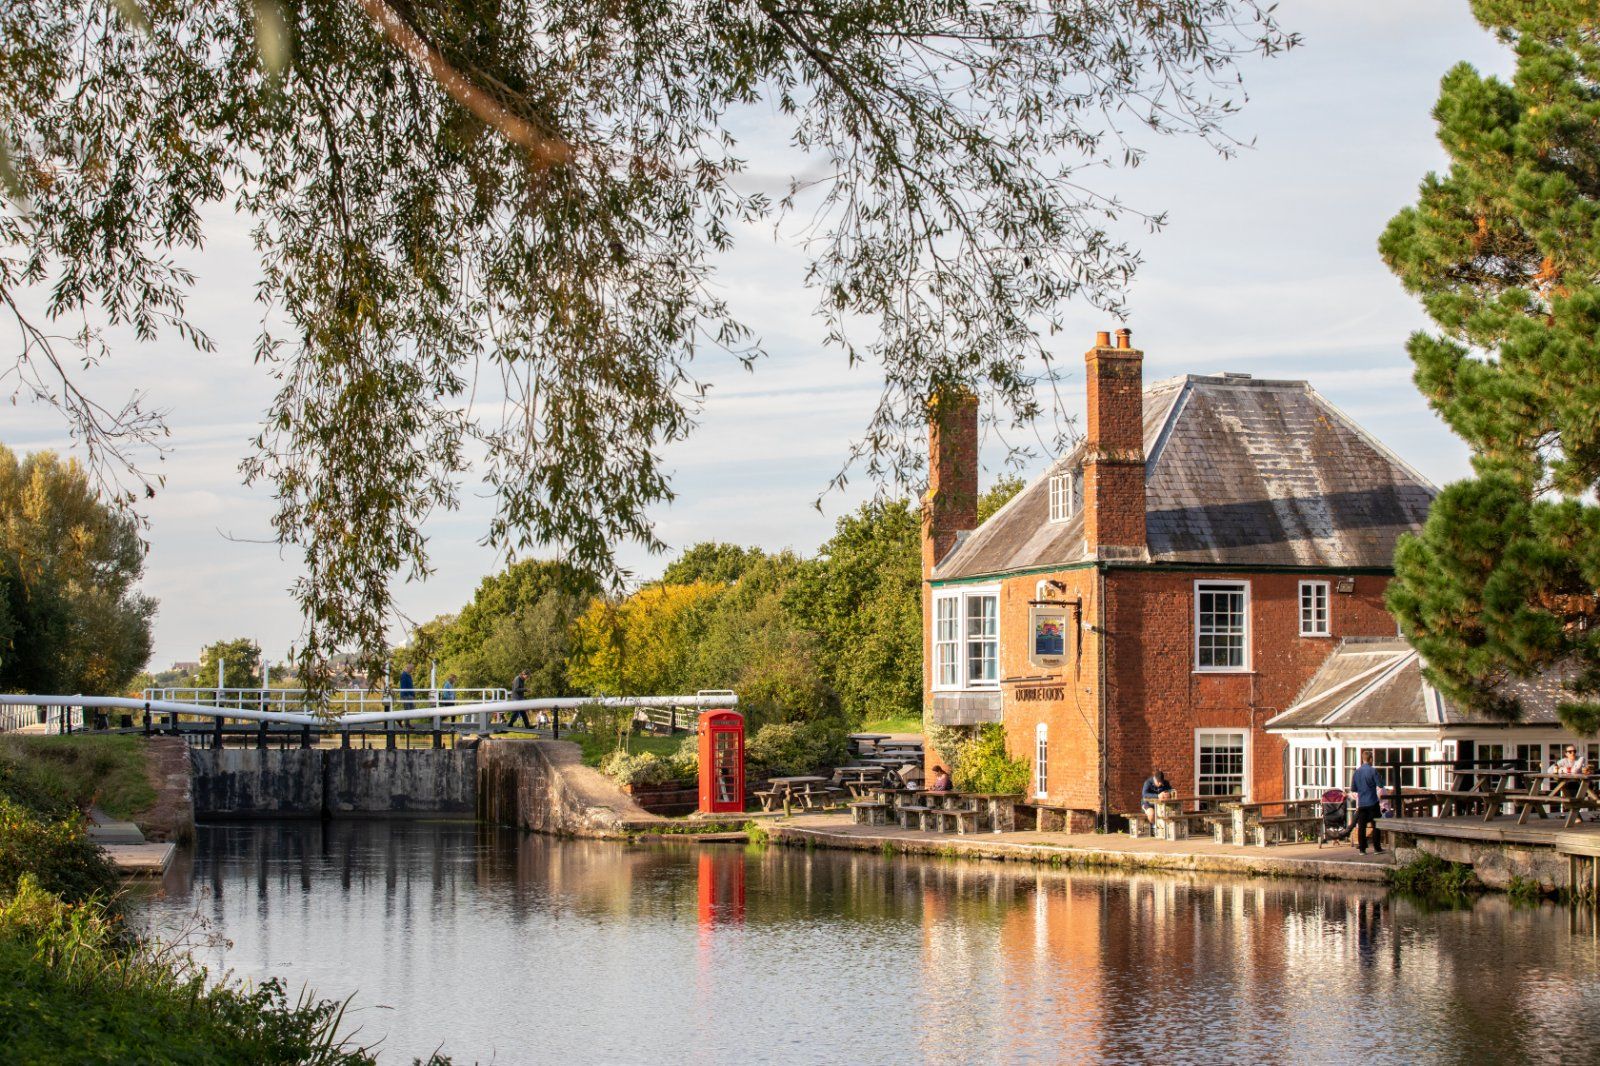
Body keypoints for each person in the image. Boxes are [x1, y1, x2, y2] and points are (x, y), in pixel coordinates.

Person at [1350, 750, 1384, 855]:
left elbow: (1353, 788)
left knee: (1362, 827)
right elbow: (1380, 785)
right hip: (1372, 802)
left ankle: (1362, 849)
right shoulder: (1373, 771)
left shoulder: (1356, 772)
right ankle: (1377, 848)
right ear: (1370, 759)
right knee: (1376, 825)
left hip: (1362, 803)